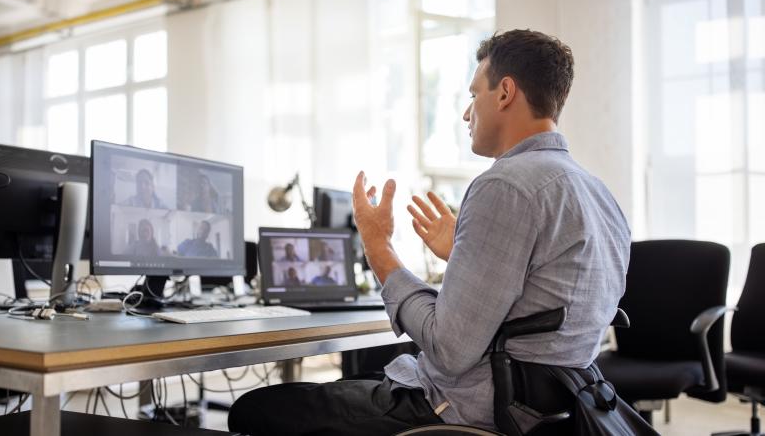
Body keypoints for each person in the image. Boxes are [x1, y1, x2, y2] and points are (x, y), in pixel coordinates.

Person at [227, 29, 631, 435]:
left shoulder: (505, 185)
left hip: (461, 409)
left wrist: (378, 246)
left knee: (254, 408)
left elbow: (449, 349)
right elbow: (541, 308)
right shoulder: (597, 192)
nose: (466, 113)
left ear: (505, 92)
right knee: (359, 378)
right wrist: (463, 253)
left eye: (474, 95)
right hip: (549, 411)